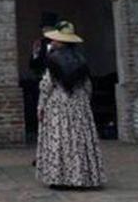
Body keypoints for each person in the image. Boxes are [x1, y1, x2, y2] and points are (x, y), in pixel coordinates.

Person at [36, 21, 106, 190]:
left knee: (60, 139)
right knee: (79, 139)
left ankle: (61, 177)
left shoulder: (53, 60)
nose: (52, 43)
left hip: (59, 103)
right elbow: (88, 85)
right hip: (79, 102)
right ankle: (82, 176)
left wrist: (41, 106)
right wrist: (84, 102)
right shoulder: (81, 59)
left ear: (61, 42)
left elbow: (47, 85)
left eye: (55, 40)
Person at [27, 11, 60, 140]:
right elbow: (33, 64)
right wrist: (35, 53)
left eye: (48, 28)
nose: (45, 30)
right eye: (44, 28)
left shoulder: (60, 43)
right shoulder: (40, 43)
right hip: (42, 79)